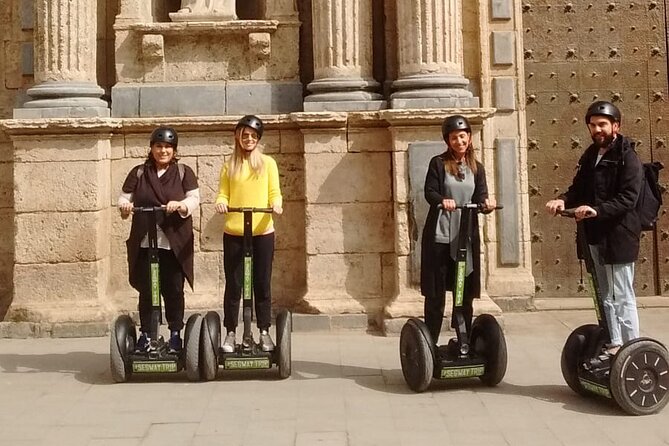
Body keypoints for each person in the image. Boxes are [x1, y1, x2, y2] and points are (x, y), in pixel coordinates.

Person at [546, 101, 643, 355]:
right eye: (593, 125)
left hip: (619, 235)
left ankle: (632, 348)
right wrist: (563, 200)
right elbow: (578, 188)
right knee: (603, 294)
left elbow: (628, 198)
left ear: (616, 126)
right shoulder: (591, 155)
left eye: (602, 124)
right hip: (595, 236)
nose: (597, 129)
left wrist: (596, 210)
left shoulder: (627, 156)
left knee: (622, 295)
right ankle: (614, 343)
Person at [118, 126, 200, 353]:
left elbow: (194, 198)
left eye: (168, 147)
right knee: (147, 289)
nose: (163, 151)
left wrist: (181, 205)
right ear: (152, 148)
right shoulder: (139, 172)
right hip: (145, 241)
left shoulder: (184, 172)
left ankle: (175, 334)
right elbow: (124, 198)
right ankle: (146, 334)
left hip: (173, 242)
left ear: (174, 150)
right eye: (159, 146)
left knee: (173, 288)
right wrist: (125, 207)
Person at [420, 115, 496, 345]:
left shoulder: (477, 167)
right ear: (447, 140)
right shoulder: (438, 163)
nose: (459, 141)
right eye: (454, 137)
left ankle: (465, 340)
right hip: (441, 237)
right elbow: (429, 192)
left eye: (463, 136)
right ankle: (430, 342)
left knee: (463, 292)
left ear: (470, 138)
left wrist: (487, 204)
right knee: (436, 293)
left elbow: (480, 195)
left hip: (465, 237)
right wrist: (444, 200)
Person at [215, 115, 283, 352]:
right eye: (245, 136)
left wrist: (276, 204)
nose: (249, 139)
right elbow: (223, 193)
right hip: (234, 231)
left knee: (262, 283)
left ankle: (264, 331)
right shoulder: (229, 165)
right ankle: (231, 332)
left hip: (262, 231)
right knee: (234, 285)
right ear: (238, 137)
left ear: (258, 139)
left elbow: (274, 192)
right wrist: (221, 203)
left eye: (253, 136)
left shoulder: (268, 163)